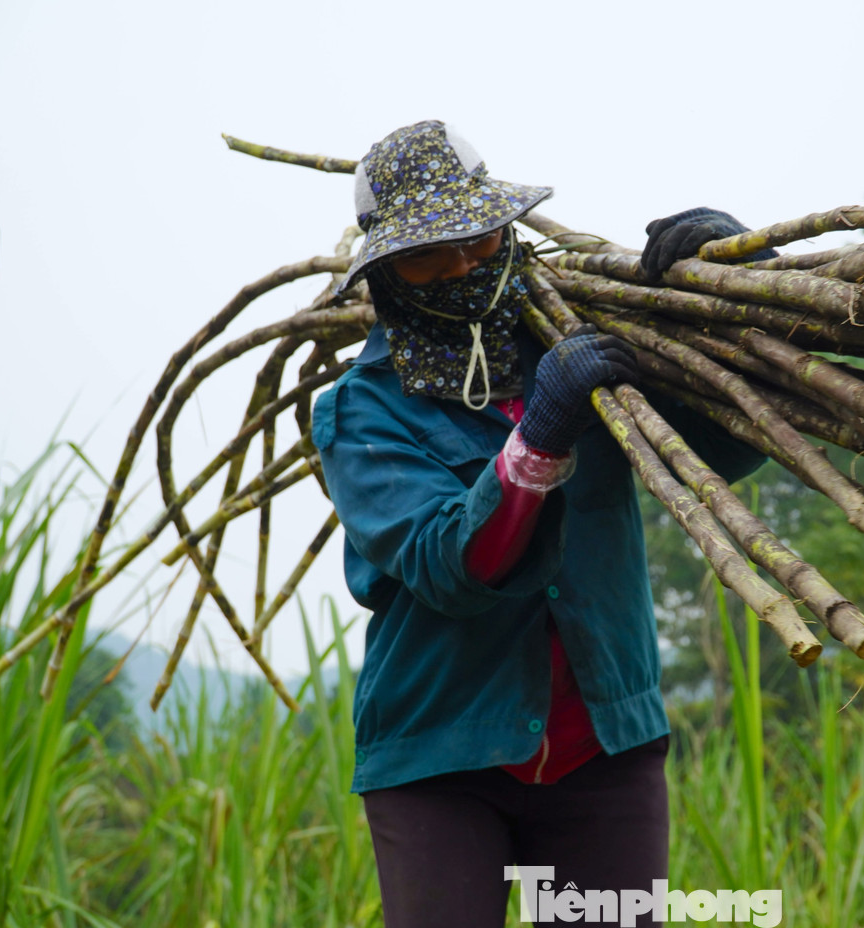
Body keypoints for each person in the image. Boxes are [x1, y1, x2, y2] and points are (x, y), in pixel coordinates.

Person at [312, 119, 771, 928]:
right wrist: (540, 436)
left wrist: (747, 277)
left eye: (480, 241)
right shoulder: (361, 413)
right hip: (439, 754)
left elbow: (726, 447)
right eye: (428, 254)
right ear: (385, 274)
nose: (461, 268)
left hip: (603, 743)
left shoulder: (582, 344)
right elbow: (452, 566)